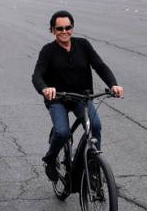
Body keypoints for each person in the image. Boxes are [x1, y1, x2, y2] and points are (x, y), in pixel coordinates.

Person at [31, 10, 124, 181]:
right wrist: (45, 89)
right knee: (62, 132)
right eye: (59, 28)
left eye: (68, 27)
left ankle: (94, 167)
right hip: (57, 99)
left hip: (81, 98)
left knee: (95, 125)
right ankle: (50, 159)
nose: (64, 31)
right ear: (52, 30)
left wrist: (113, 84)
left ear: (72, 28)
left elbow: (100, 66)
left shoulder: (83, 45)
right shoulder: (48, 51)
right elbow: (37, 75)